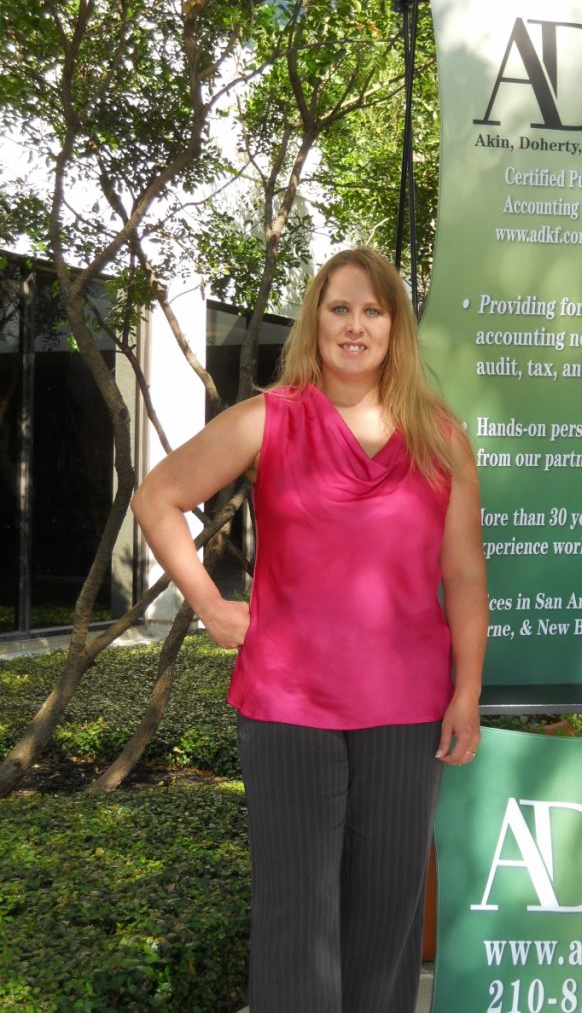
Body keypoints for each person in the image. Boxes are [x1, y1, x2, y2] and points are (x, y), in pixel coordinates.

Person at [130, 247, 488, 1013]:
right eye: (339, 309)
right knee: (298, 919)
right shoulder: (270, 418)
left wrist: (468, 692)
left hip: (408, 710)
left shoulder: (441, 436)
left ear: (395, 326)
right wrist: (212, 604)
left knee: (386, 917)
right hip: (290, 708)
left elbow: (464, 575)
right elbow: (157, 497)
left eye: (372, 310)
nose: (355, 326)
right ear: (314, 321)